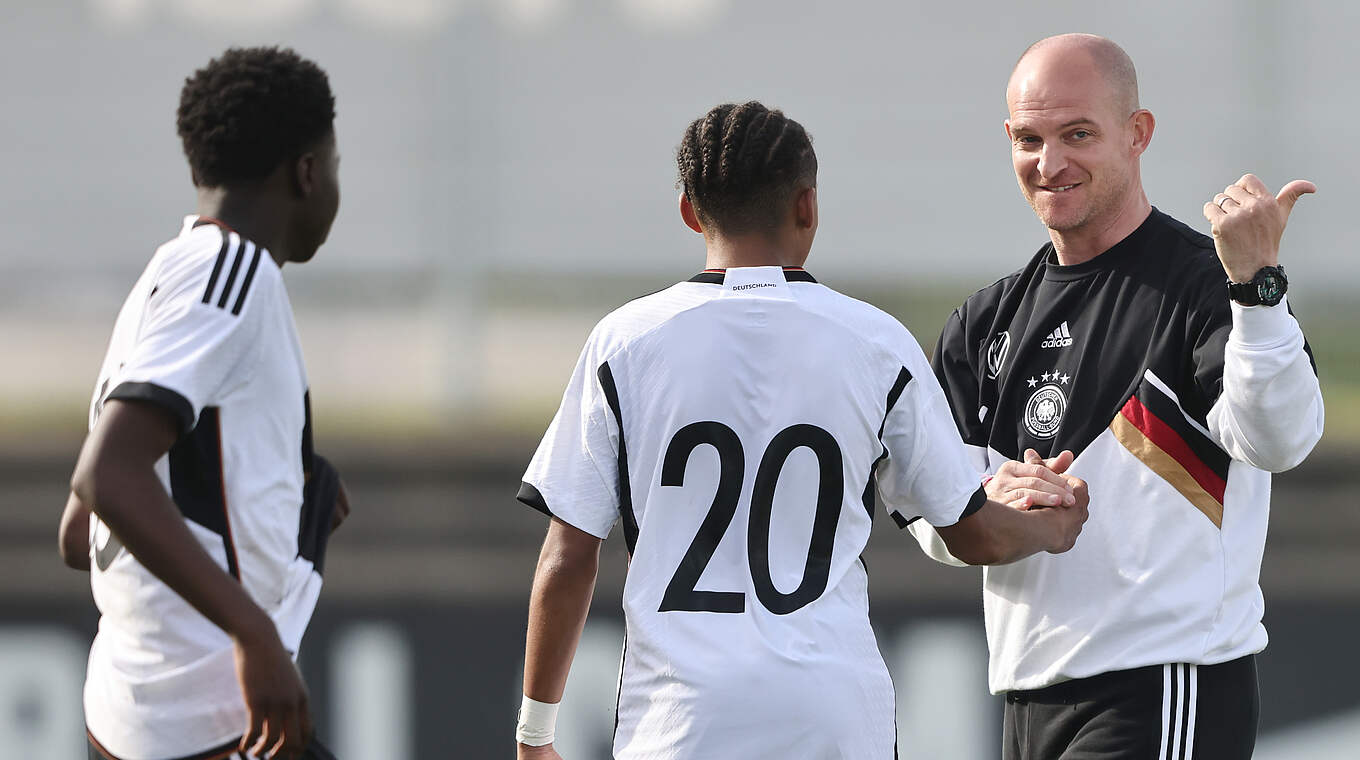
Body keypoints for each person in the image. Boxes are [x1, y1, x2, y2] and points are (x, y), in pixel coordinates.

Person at [513, 101, 1089, 760]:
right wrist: (1051, 523)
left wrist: (535, 734)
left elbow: (567, 558)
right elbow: (974, 531)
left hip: (679, 721)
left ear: (689, 212)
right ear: (808, 206)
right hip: (833, 716)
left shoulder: (624, 342)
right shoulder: (876, 342)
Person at [908, 33, 1325, 760]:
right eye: (1030, 139)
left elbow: (1282, 440)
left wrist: (1259, 290)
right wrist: (989, 499)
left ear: (1138, 134)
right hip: (1024, 695)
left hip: (1164, 684)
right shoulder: (986, 319)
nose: (1051, 163)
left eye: (1078, 134)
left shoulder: (1207, 282)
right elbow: (925, 507)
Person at [63, 46, 346, 760]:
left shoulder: (166, 273)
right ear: (306, 173)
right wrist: (254, 635)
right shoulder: (234, 273)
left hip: (129, 716)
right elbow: (107, 478)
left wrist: (287, 505)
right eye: (334, 165)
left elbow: (79, 533)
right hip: (216, 721)